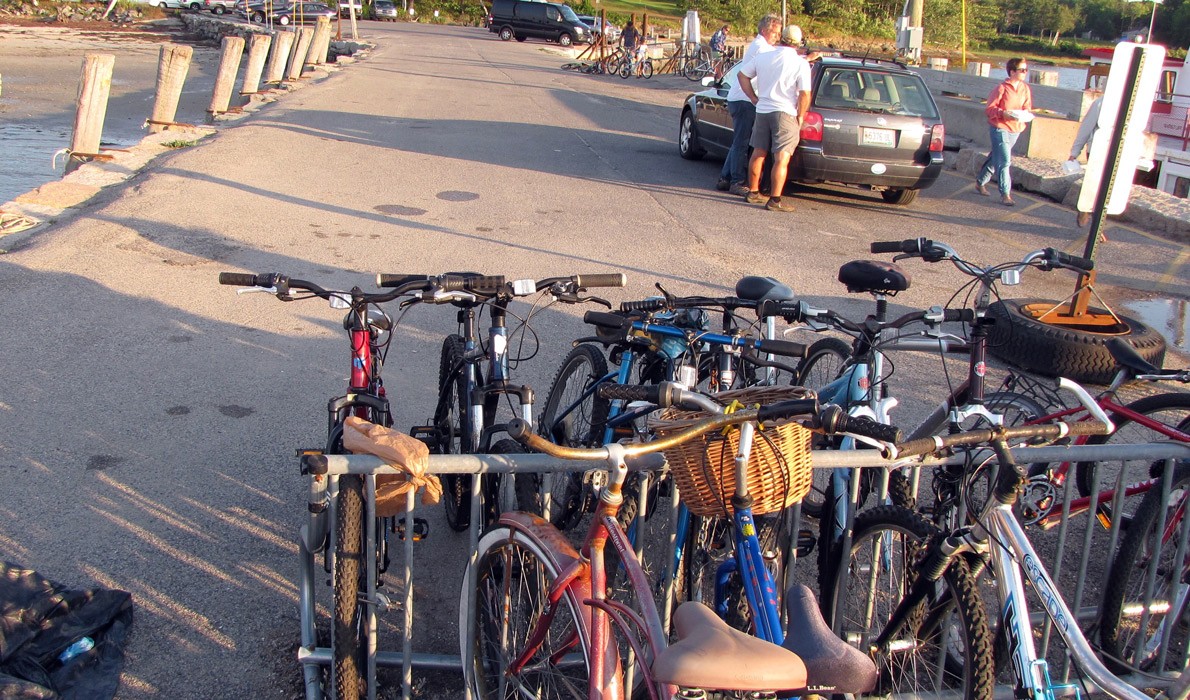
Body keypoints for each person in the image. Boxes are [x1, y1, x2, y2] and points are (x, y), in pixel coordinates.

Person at [737, 24, 811, 213]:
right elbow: (804, 94)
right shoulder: (801, 63)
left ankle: (753, 191)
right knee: (781, 158)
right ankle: (775, 199)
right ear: (798, 42)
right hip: (785, 112)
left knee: (758, 153)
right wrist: (800, 116)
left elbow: (742, 75)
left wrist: (753, 97)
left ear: (782, 38)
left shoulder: (764, 57)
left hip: (763, 110)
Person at [715, 15, 780, 194]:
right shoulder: (761, 47)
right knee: (742, 143)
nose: (777, 36)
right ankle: (737, 181)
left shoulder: (762, 46)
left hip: (740, 97)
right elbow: (775, 60)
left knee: (739, 141)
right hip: (744, 99)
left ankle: (725, 177)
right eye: (775, 33)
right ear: (765, 31)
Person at [975, 57, 1033, 207]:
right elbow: (989, 109)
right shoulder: (1001, 88)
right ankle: (1005, 193)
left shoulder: (1025, 88)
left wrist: (1025, 114)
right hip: (999, 127)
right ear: (1012, 72)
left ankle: (980, 182)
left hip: (1016, 128)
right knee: (1005, 160)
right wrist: (1003, 114)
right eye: (1022, 70)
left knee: (996, 157)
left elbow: (1027, 107)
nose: (1025, 72)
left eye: (1026, 70)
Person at [1069, 96, 1103, 227]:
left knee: (1108, 192)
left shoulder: (1132, 104)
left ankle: (1097, 224)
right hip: (1097, 152)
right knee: (1097, 188)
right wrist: (1074, 152)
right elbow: (1086, 128)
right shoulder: (1100, 103)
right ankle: (1089, 214)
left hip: (1118, 154)